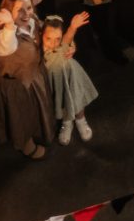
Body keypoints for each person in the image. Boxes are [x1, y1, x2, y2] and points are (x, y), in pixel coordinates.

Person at [0, 0, 55, 160]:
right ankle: (27, 147)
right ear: (8, 11)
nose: (26, 14)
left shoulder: (31, 19)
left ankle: (40, 131)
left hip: (33, 76)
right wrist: (10, 25)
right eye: (19, 10)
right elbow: (8, 44)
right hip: (15, 87)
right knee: (21, 119)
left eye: (29, 8)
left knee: (37, 110)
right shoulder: (1, 37)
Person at [41, 12, 97, 145]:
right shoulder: (37, 50)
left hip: (71, 75)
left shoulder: (61, 45)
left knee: (76, 97)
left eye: (57, 39)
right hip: (54, 81)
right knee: (61, 101)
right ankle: (67, 122)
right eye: (48, 38)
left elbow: (67, 39)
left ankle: (80, 120)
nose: (53, 43)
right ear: (40, 35)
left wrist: (72, 28)